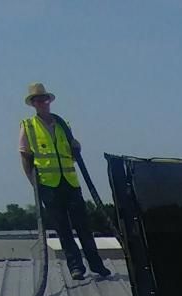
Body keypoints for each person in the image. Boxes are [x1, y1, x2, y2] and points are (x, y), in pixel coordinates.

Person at [19, 82, 110, 282]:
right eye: (38, 100)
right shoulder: (28, 126)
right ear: (33, 104)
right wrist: (34, 184)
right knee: (63, 228)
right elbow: (25, 157)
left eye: (44, 99)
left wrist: (77, 147)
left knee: (83, 225)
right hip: (48, 185)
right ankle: (76, 267)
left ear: (49, 101)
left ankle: (97, 264)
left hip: (70, 181)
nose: (42, 103)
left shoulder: (63, 125)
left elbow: (72, 152)